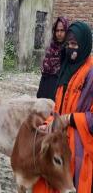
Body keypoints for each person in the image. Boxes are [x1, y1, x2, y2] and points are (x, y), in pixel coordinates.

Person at [33, 21, 93, 193]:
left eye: (75, 44)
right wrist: (49, 122)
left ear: (84, 45)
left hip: (80, 148)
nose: (70, 49)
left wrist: (70, 119)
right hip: (59, 143)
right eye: (68, 44)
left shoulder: (90, 74)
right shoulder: (66, 70)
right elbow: (58, 109)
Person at [36, 17, 68, 100]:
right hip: (45, 85)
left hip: (58, 89)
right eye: (57, 31)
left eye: (62, 30)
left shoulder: (68, 50)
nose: (59, 34)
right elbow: (45, 72)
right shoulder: (51, 47)